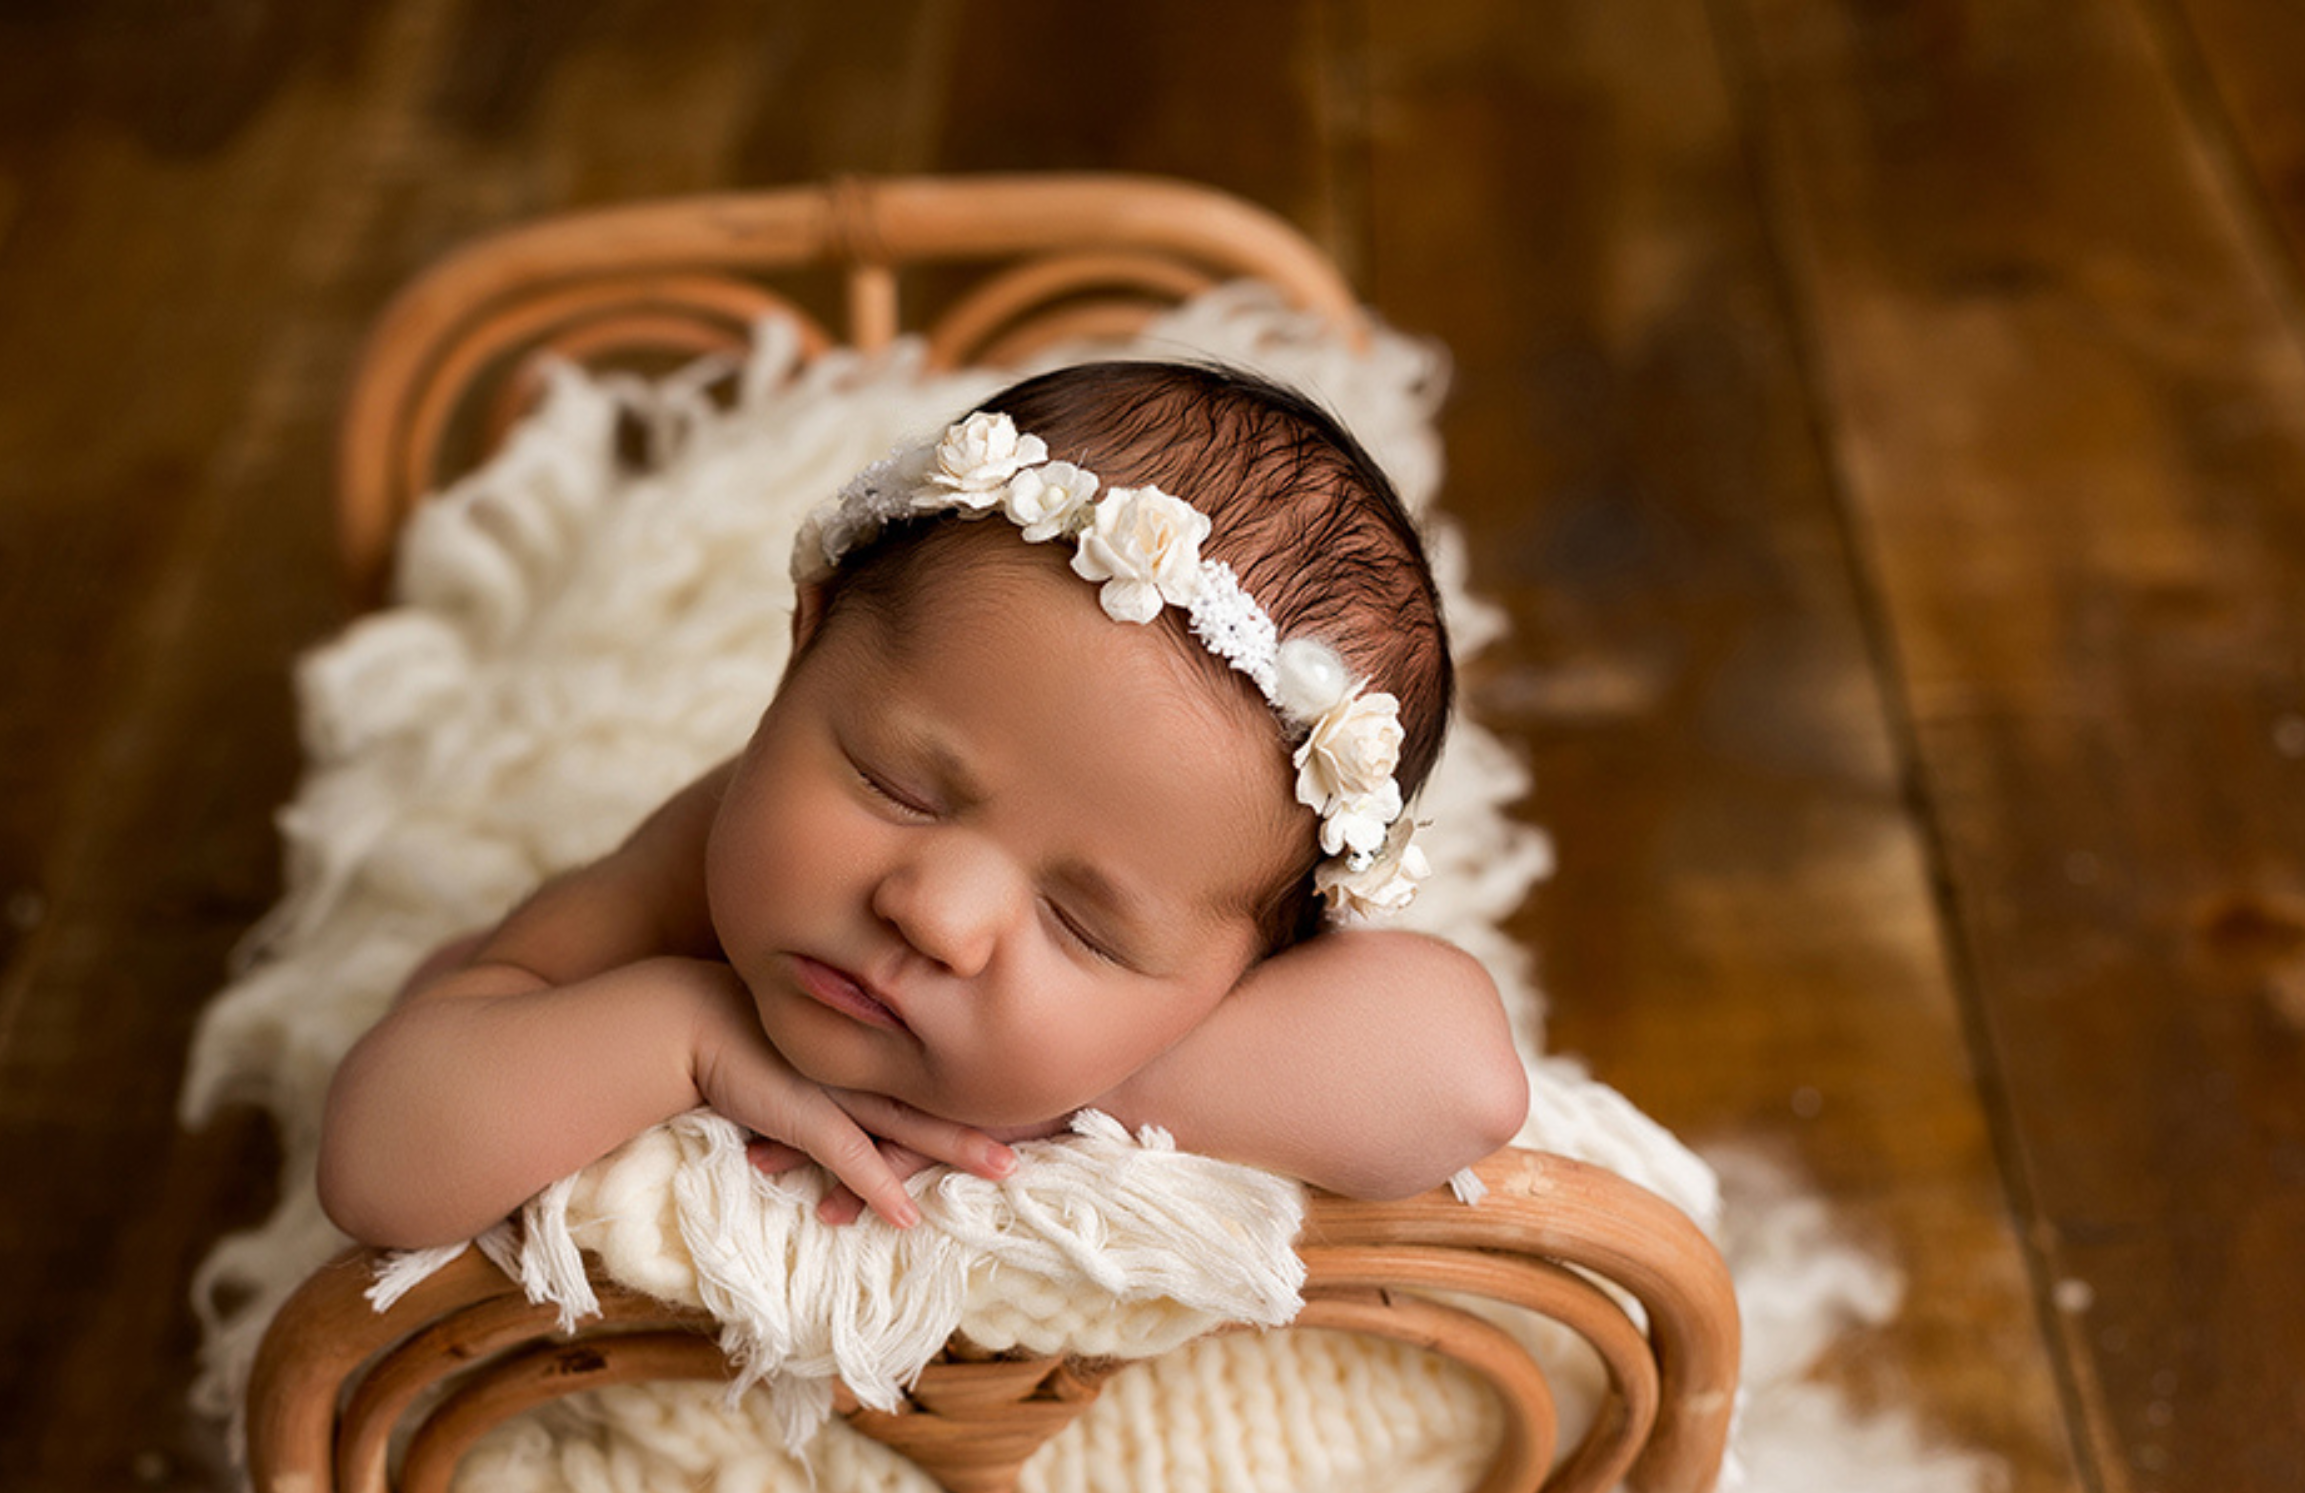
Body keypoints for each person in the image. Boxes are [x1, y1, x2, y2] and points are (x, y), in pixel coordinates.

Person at [317, 359, 1529, 1252]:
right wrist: (685, 1029)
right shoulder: (698, 863)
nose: (937, 915)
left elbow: (1464, 1084)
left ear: (1249, 963)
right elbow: (379, 1164)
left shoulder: (1191, 978)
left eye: (1084, 925)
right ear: (805, 646)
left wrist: (1061, 1081)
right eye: (898, 788)